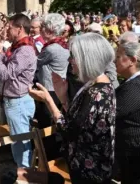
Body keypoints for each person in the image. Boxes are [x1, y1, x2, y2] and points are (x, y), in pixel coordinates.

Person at [29, 33, 116, 184]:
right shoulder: (98, 85)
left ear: (87, 59)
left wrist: (48, 100)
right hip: (92, 165)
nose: (70, 61)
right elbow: (78, 122)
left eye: (73, 56)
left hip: (89, 171)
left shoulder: (95, 93)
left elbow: (68, 130)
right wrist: (62, 97)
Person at [0, 13, 37, 168]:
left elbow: (6, 74)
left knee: (20, 141)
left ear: (20, 29)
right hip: (15, 101)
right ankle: (22, 170)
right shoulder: (17, 48)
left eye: (10, 27)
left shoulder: (25, 50)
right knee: (18, 139)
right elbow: (9, 67)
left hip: (18, 101)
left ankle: (24, 174)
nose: (6, 30)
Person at [114, 42, 140, 182]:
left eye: (119, 56)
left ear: (132, 60)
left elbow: (104, 115)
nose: (115, 60)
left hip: (138, 159)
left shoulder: (136, 87)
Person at [36, 13, 69, 128]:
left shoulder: (51, 49)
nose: (40, 29)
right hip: (60, 89)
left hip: (50, 90)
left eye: (43, 27)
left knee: (47, 126)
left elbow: (35, 63)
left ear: (50, 30)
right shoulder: (62, 44)